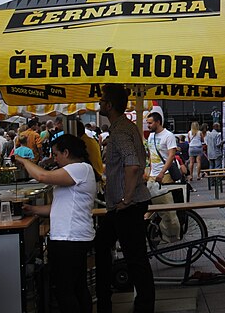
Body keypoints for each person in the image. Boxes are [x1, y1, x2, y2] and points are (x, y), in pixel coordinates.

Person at [16, 135, 97, 313]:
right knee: (77, 287)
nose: (54, 159)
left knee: (65, 290)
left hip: (69, 238)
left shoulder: (79, 168)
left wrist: (22, 160)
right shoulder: (80, 170)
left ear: (66, 153)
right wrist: (33, 210)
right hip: (73, 237)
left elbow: (42, 176)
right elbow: (58, 207)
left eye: (56, 154)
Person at [94, 84, 154, 313]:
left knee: (136, 259)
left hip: (128, 205)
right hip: (124, 205)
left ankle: (142, 307)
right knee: (103, 245)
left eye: (101, 100)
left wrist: (127, 198)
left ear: (109, 105)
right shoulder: (124, 127)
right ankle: (105, 302)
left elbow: (133, 164)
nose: (99, 103)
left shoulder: (119, 131)